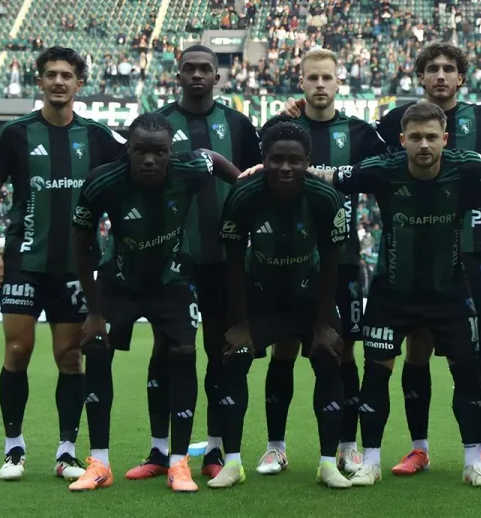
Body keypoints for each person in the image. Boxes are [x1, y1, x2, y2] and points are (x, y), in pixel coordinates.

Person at [301, 101, 481, 488]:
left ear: (445, 139)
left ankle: (474, 462)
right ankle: (371, 461)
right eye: (416, 137)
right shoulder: (381, 170)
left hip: (450, 292)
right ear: (402, 140)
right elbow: (327, 175)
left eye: (431, 137)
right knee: (376, 374)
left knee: (468, 374)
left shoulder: (468, 167)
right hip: (392, 294)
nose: (424, 145)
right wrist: (275, 168)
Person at [68, 112, 240, 492]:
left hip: (171, 280)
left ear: (170, 152)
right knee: (97, 350)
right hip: (120, 281)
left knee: (184, 352)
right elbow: (80, 243)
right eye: (141, 151)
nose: (150, 159)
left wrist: (244, 182)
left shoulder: (188, 169)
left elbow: (213, 160)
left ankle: (178, 464)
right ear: (128, 149)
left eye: (159, 152)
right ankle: (99, 463)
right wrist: (93, 311)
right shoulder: (102, 181)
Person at [0, 46, 126, 483]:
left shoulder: (97, 137)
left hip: (74, 269)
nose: (58, 81)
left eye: (66, 75)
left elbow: (136, 167)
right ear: (39, 81)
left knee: (69, 358)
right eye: (51, 74)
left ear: (79, 83)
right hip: (24, 262)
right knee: (17, 351)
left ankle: (66, 451)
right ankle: (14, 448)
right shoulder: (16, 134)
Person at [124, 44, 261, 482]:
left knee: (222, 353)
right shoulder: (159, 125)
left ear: (218, 77)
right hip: (173, 261)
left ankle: (216, 448)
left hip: (225, 260)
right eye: (190, 68)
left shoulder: (238, 125)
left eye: (206, 69)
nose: (198, 75)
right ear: (177, 74)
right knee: (166, 351)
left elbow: (254, 182)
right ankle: (159, 450)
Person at [252, 48, 387, 477]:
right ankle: (275, 447)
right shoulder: (284, 130)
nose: (320, 85)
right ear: (302, 82)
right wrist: (277, 118)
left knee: (342, 350)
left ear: (338, 82)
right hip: (287, 260)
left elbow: (387, 167)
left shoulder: (359, 132)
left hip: (342, 259)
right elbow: (255, 160)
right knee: (284, 348)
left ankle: (347, 446)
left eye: (327, 77)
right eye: (313, 78)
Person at [213, 122, 351, 489]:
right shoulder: (244, 195)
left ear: (308, 161)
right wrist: (240, 323)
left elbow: (332, 263)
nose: (285, 167)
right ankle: (232, 462)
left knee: (328, 358)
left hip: (309, 298)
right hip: (262, 297)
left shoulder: (325, 197)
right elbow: (233, 263)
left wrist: (324, 324)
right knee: (235, 358)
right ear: (263, 159)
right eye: (277, 159)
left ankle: (328, 464)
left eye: (295, 160)